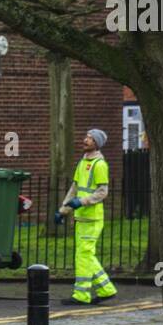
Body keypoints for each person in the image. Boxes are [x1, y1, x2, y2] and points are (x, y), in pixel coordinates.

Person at [57, 129, 117, 305]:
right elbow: (74, 188)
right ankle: (106, 290)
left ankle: (81, 295)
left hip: (92, 219)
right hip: (81, 218)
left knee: (83, 255)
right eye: (86, 137)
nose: (85, 140)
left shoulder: (99, 164)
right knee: (86, 255)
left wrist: (82, 202)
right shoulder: (82, 163)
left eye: (90, 139)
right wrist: (63, 210)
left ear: (97, 143)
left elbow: (102, 192)